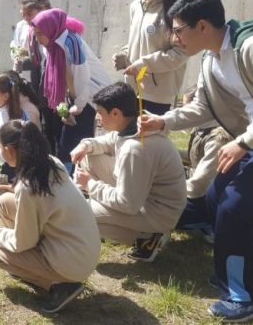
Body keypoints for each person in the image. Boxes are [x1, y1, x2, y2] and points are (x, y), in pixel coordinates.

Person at [140, 0, 253, 322]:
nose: (174, 37)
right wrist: (164, 121)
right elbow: (202, 107)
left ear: (202, 26)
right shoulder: (211, 59)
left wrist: (243, 142)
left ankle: (248, 297)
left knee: (235, 210)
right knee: (214, 198)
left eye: (178, 29)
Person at [0, 120, 101, 313]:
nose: (0, 152)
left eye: (0, 148)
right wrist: (12, 188)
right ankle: (37, 265)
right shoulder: (51, 161)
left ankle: (60, 285)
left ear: (9, 149)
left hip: (72, 262)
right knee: (5, 202)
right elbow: (39, 197)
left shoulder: (28, 188)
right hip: (84, 248)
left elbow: (21, 242)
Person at [71, 82, 186, 262]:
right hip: (148, 198)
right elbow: (104, 142)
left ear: (116, 113)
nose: (97, 117)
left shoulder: (135, 148)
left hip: (158, 213)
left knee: (81, 213)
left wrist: (90, 185)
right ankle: (135, 228)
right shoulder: (134, 126)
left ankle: (149, 237)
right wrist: (84, 145)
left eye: (100, 112)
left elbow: (128, 204)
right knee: (88, 156)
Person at [31, 8, 110, 164]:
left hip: (89, 94)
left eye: (40, 34)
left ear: (51, 29)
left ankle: (67, 182)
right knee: (81, 141)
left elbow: (82, 77)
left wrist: (78, 106)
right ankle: (82, 179)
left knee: (68, 146)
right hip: (77, 94)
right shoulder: (53, 44)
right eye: (36, 34)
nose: (38, 40)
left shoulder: (70, 43)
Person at [113, 0, 187, 115]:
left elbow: (180, 53)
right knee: (130, 138)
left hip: (158, 93)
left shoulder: (172, 7)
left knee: (150, 140)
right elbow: (137, 43)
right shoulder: (135, 6)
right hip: (133, 88)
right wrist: (124, 56)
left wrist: (143, 64)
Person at [174, 87, 232, 242]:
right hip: (200, 192)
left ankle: (207, 222)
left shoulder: (218, 138)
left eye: (185, 107)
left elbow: (201, 182)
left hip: (205, 198)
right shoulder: (203, 128)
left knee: (161, 210)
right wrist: (167, 153)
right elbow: (195, 157)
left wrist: (170, 194)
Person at [10, 0, 51, 88]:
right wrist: (16, 56)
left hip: (47, 77)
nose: (25, 18)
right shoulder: (21, 26)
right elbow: (15, 45)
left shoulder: (52, 28)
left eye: (28, 14)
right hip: (27, 76)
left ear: (43, 10)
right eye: (22, 14)